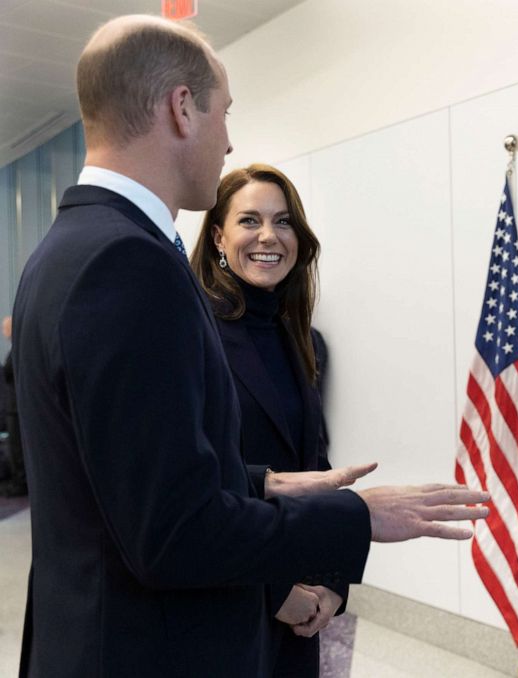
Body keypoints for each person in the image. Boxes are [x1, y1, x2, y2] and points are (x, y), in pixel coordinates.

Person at [12, 15, 487, 678]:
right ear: (182, 108)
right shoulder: (128, 262)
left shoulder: (71, 247)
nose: (229, 141)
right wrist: (355, 516)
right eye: (224, 114)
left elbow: (128, 477)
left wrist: (268, 483)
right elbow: (174, 534)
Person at [190, 164, 374, 677]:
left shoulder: (299, 336)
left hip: (300, 611)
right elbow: (196, 487)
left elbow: (315, 463)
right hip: (227, 600)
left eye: (284, 221)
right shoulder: (194, 334)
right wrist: (275, 591)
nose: (269, 236)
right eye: (249, 220)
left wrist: (331, 583)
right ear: (218, 238)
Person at [1, 316, 27, 497]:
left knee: (18, 448)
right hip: (13, 406)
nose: (4, 332)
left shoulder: (19, 349)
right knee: (14, 447)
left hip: (16, 407)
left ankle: (20, 483)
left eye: (5, 328)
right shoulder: (15, 349)